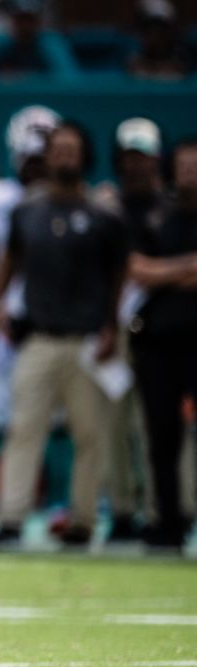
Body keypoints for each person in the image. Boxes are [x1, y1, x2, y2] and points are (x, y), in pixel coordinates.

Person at [0, 122, 130, 549]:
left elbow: (119, 277)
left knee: (90, 435)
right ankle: (11, 518)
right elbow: (8, 263)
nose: (65, 157)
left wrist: (112, 328)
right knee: (23, 428)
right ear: (47, 157)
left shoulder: (104, 216)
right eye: (58, 149)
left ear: (85, 157)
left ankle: (82, 520)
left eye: (73, 149)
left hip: (87, 339)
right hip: (39, 336)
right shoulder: (26, 212)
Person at [0, 105, 73, 527]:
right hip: (6, 319)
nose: (37, 166)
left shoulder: (73, 201)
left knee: (58, 420)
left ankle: (59, 504)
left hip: (56, 320)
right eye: (31, 157)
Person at [97, 117, 167, 541]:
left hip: (162, 331)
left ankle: (163, 510)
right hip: (114, 327)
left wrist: (153, 272)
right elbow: (124, 268)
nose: (136, 164)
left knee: (156, 427)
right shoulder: (107, 208)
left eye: (143, 155)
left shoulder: (173, 208)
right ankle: (122, 511)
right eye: (129, 156)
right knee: (112, 424)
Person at [126, 139, 197, 551]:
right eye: (185, 165)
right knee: (161, 435)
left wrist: (164, 271)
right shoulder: (154, 214)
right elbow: (138, 270)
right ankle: (167, 520)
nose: (190, 172)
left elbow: (155, 271)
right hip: (158, 341)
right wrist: (189, 266)